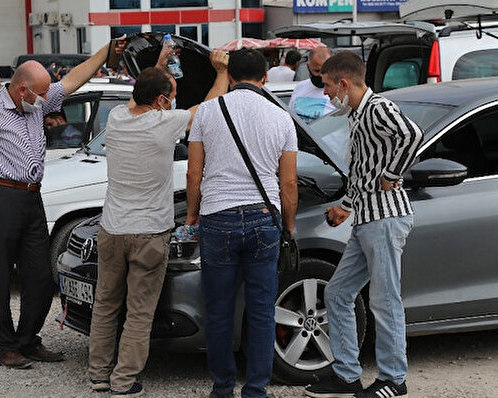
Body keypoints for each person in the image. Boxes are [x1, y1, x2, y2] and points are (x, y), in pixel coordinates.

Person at [0, 37, 129, 370]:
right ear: (21, 89)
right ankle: (6, 345)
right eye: (40, 93)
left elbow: (73, 79)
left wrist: (106, 51)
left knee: (40, 276)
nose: (46, 99)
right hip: (0, 195)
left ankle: (28, 339)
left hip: (30, 195)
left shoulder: (36, 100)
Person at [87, 47, 229, 397]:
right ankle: (123, 382)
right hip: (149, 232)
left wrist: (162, 63)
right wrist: (222, 73)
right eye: (173, 96)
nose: (175, 102)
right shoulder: (164, 124)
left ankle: (98, 376)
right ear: (163, 101)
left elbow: (143, 88)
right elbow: (208, 108)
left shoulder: (117, 118)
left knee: (105, 304)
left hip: (112, 228)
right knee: (139, 311)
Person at [304, 51, 423, 398]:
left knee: (385, 301)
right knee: (338, 293)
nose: (325, 93)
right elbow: (363, 172)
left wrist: (391, 175)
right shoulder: (359, 114)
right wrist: (346, 205)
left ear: (343, 83)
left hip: (384, 218)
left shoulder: (377, 108)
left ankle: (393, 380)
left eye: (327, 86)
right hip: (369, 219)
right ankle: (346, 376)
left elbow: (411, 135)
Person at [185, 48, 298, 398]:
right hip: (264, 219)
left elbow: (193, 173)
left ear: (230, 77)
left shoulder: (207, 112)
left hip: (217, 217)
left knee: (218, 309)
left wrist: (192, 214)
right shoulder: (281, 117)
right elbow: (289, 184)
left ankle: (222, 387)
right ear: (265, 78)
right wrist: (288, 226)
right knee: (262, 310)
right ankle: (256, 389)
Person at [289, 47, 335, 124]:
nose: (321, 75)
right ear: (308, 67)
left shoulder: (340, 92)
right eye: (317, 71)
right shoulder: (299, 88)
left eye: (325, 70)